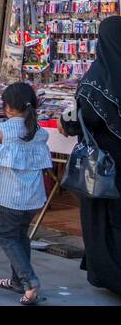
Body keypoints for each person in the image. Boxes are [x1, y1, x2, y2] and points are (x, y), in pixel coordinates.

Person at [0, 81, 52, 305]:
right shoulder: (39, 132)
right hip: (32, 198)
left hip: (8, 197)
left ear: (8, 107)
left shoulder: (2, 130)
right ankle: (18, 280)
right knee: (20, 238)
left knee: (7, 237)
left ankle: (29, 282)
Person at [61, 15, 121, 296]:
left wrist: (67, 121)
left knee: (102, 220)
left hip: (103, 166)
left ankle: (111, 275)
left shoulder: (96, 80)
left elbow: (83, 119)